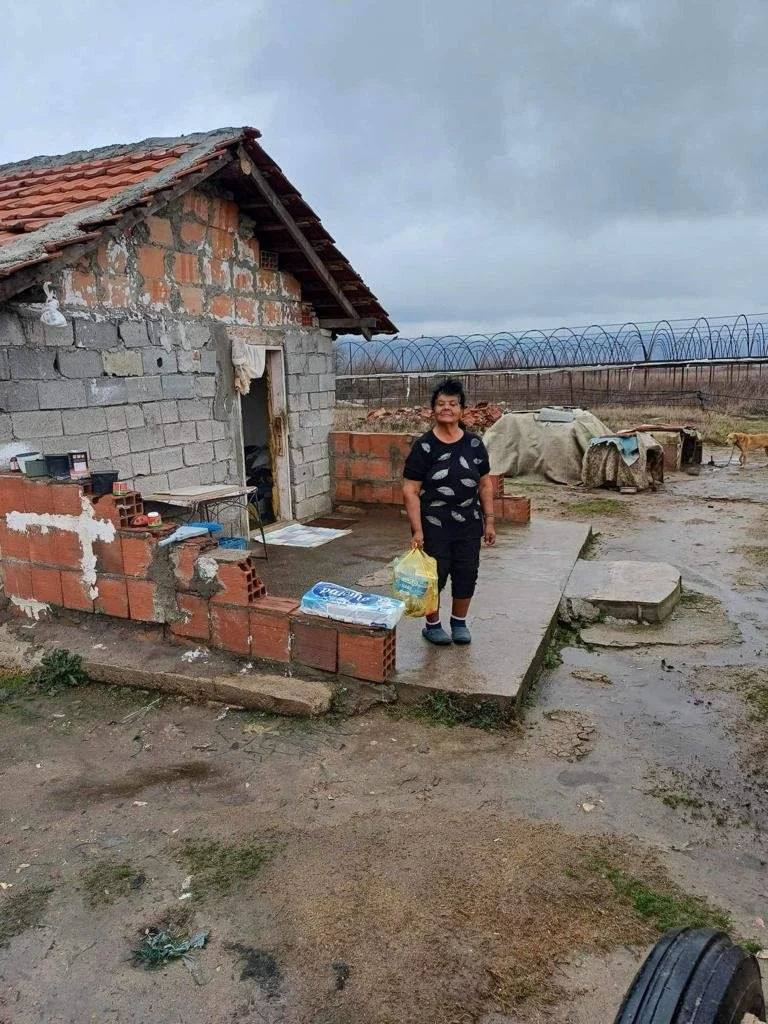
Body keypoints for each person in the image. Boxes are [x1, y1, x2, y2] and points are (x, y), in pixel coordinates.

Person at [402, 378, 496, 646]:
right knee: (435, 576)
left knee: (467, 573)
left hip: (469, 522)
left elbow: (485, 484)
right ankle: (432, 625)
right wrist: (417, 529)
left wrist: (489, 521)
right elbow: (410, 490)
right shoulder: (424, 447)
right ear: (433, 410)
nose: (447, 408)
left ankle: (459, 623)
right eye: (441, 403)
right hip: (434, 524)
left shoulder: (475, 445)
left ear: (462, 410)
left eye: (453, 404)